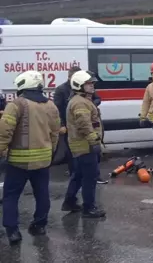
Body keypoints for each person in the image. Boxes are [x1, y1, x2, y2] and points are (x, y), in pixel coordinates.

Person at [0, 71, 60, 244]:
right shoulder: (51, 106)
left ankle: (13, 232)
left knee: (11, 196)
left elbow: (5, 132)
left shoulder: (16, 105)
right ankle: (39, 225)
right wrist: (51, 153)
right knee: (42, 194)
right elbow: (55, 133)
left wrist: (1, 150)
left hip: (18, 162)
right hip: (42, 161)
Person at [61, 70, 106, 218]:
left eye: (92, 83)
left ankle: (70, 202)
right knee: (89, 178)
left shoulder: (81, 100)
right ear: (79, 85)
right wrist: (94, 141)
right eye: (88, 83)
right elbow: (84, 125)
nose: (92, 85)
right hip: (85, 145)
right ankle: (89, 208)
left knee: (79, 175)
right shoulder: (80, 103)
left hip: (80, 145)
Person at [54, 66, 107, 184]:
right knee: (76, 160)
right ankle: (83, 183)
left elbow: (97, 99)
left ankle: (72, 196)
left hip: (81, 131)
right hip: (72, 128)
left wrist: (91, 104)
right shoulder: (63, 91)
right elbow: (57, 110)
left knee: (82, 170)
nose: (92, 85)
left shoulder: (85, 93)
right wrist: (61, 124)